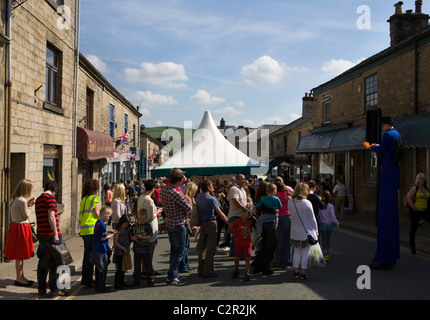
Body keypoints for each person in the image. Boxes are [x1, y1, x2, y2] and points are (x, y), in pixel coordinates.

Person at [365, 116, 402, 269]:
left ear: (386, 125)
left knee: (385, 215)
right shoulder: (397, 134)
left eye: (382, 125)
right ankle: (390, 254)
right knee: (390, 215)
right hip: (394, 172)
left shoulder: (387, 135)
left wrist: (370, 146)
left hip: (387, 172)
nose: (382, 128)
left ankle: (384, 256)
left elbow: (380, 149)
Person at [160, 170, 192, 286]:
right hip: (178, 224)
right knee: (179, 251)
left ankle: (172, 274)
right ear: (178, 181)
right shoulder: (175, 193)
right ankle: (172, 276)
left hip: (170, 223)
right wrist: (189, 201)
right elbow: (189, 208)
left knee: (174, 250)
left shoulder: (164, 190)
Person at [35, 180, 66, 297]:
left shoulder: (38, 199)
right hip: (51, 235)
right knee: (56, 263)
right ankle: (55, 289)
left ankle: (41, 289)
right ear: (55, 190)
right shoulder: (51, 199)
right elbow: (51, 216)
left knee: (42, 263)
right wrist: (56, 234)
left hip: (42, 234)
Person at [4, 179, 36, 287]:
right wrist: (30, 205)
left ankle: (21, 277)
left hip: (16, 227)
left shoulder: (15, 199)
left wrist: (27, 203)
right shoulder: (22, 200)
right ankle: (19, 278)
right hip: (21, 228)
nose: (31, 190)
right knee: (20, 255)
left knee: (20, 256)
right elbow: (26, 215)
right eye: (30, 188)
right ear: (26, 189)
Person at [196, 179, 230, 278]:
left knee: (202, 247)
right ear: (208, 187)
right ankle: (208, 270)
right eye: (211, 185)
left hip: (203, 223)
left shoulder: (199, 197)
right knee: (210, 248)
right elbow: (220, 212)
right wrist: (228, 222)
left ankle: (201, 269)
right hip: (211, 222)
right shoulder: (211, 199)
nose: (213, 187)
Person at [288, 183, 318, 280]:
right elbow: (313, 219)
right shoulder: (307, 203)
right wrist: (316, 232)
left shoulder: (290, 202)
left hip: (295, 231)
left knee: (296, 252)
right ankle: (303, 274)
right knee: (305, 253)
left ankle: (295, 273)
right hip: (306, 231)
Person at [252, 183, 282, 275]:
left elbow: (257, 206)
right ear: (274, 191)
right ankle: (264, 266)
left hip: (264, 222)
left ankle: (258, 264)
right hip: (272, 223)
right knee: (270, 246)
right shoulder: (276, 199)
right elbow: (279, 206)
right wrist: (273, 209)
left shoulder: (262, 199)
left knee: (265, 246)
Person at [137, 179, 163, 274]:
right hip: (150, 226)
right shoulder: (149, 200)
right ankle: (147, 269)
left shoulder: (141, 197)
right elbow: (151, 216)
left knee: (145, 250)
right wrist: (158, 211)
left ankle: (146, 269)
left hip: (142, 225)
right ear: (152, 188)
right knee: (150, 250)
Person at [79, 179, 101, 288]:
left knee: (86, 255)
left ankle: (85, 279)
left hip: (84, 230)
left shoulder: (84, 199)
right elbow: (97, 213)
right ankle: (89, 279)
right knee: (93, 255)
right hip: (92, 229)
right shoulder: (95, 199)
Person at [91, 206, 116, 292]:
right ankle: (102, 287)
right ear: (104, 214)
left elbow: (99, 233)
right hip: (101, 249)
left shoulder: (98, 223)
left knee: (98, 269)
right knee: (103, 269)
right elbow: (103, 238)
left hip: (96, 249)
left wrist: (109, 231)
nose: (109, 218)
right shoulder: (102, 225)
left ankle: (98, 286)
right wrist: (112, 235)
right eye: (108, 216)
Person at [227, 174, 252, 257]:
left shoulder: (243, 190)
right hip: (235, 214)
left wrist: (247, 206)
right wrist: (245, 209)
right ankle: (234, 252)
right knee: (236, 235)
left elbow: (243, 202)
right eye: (241, 179)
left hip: (242, 215)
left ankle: (238, 252)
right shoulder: (234, 189)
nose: (243, 180)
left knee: (241, 235)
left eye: (244, 179)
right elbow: (235, 201)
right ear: (237, 180)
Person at [406, 173, 430, 254]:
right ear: (417, 180)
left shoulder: (426, 188)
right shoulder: (414, 188)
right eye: (420, 178)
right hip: (415, 211)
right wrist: (413, 207)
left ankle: (420, 222)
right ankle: (412, 247)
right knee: (413, 229)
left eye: (423, 178)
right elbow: (408, 197)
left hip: (425, 211)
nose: (422, 180)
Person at [273, 177, 294, 270]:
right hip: (286, 217)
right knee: (286, 242)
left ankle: (278, 260)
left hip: (276, 218)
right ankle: (285, 263)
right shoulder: (287, 194)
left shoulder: (274, 195)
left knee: (279, 240)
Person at [131, 209, 155, 287]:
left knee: (148, 264)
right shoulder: (134, 226)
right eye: (139, 219)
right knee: (137, 266)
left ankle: (150, 279)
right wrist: (133, 238)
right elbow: (130, 235)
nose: (141, 221)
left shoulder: (147, 225)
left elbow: (149, 236)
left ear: (146, 218)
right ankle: (136, 280)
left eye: (143, 219)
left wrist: (142, 237)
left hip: (146, 248)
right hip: (137, 249)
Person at [228, 209, 253, 281]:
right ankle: (236, 269)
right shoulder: (237, 222)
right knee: (237, 258)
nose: (243, 214)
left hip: (247, 243)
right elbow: (229, 230)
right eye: (242, 213)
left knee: (247, 258)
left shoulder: (251, 222)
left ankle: (247, 272)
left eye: (245, 213)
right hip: (238, 243)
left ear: (249, 216)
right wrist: (233, 231)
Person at [181, 182, 198, 273]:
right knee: (185, 245)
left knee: (185, 245)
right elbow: (190, 211)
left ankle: (185, 264)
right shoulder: (188, 198)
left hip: (185, 222)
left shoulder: (185, 197)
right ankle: (184, 265)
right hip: (187, 222)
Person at [318, 190, 340, 261]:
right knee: (328, 239)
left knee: (323, 240)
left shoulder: (320, 205)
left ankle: (325, 253)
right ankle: (327, 252)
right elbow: (333, 216)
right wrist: (337, 223)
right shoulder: (331, 206)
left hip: (322, 224)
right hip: (330, 225)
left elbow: (318, 214)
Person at [113, 214, 131, 289]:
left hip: (125, 251)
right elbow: (116, 243)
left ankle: (122, 282)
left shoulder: (126, 230)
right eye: (125, 224)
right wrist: (123, 248)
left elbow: (128, 240)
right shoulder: (118, 231)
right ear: (121, 222)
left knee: (124, 268)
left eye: (127, 224)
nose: (126, 226)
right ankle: (117, 283)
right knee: (119, 269)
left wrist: (128, 248)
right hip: (119, 252)